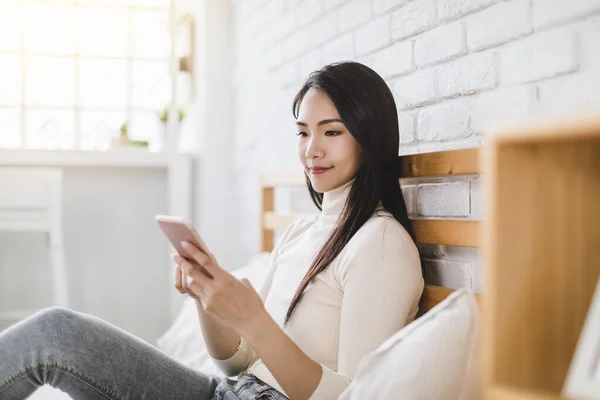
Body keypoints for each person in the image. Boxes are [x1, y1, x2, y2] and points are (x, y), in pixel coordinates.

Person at [0, 61, 424, 400]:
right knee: (55, 333)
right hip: (225, 391)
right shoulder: (300, 234)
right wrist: (208, 301)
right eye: (303, 132)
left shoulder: (380, 244)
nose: (312, 149)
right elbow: (239, 365)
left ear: (369, 138)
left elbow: (359, 396)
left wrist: (255, 321)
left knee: (55, 334)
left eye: (331, 132)